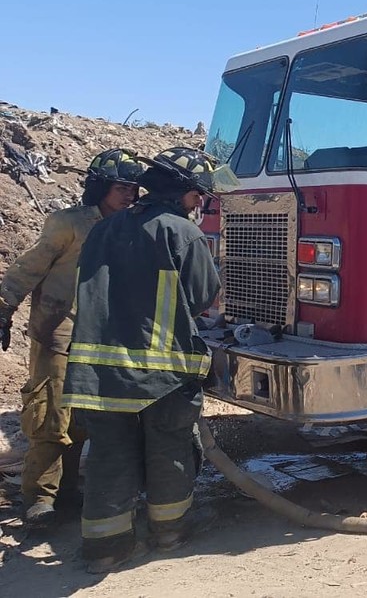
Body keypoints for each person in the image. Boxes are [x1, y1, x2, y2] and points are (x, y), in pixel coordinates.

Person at [61, 147, 222, 573]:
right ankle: (169, 532)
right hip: (162, 372)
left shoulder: (103, 229)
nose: (199, 204)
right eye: (196, 196)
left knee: (109, 453)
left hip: (98, 370)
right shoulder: (183, 234)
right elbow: (204, 296)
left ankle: (105, 548)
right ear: (182, 193)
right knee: (168, 447)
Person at [0, 148, 145, 527]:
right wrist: (4, 306)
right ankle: (39, 499)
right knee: (50, 415)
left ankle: (67, 491)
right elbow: (28, 267)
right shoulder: (69, 224)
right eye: (120, 187)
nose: (128, 194)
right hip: (57, 330)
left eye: (132, 188)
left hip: (99, 335)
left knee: (82, 418)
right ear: (100, 187)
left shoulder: (131, 228)